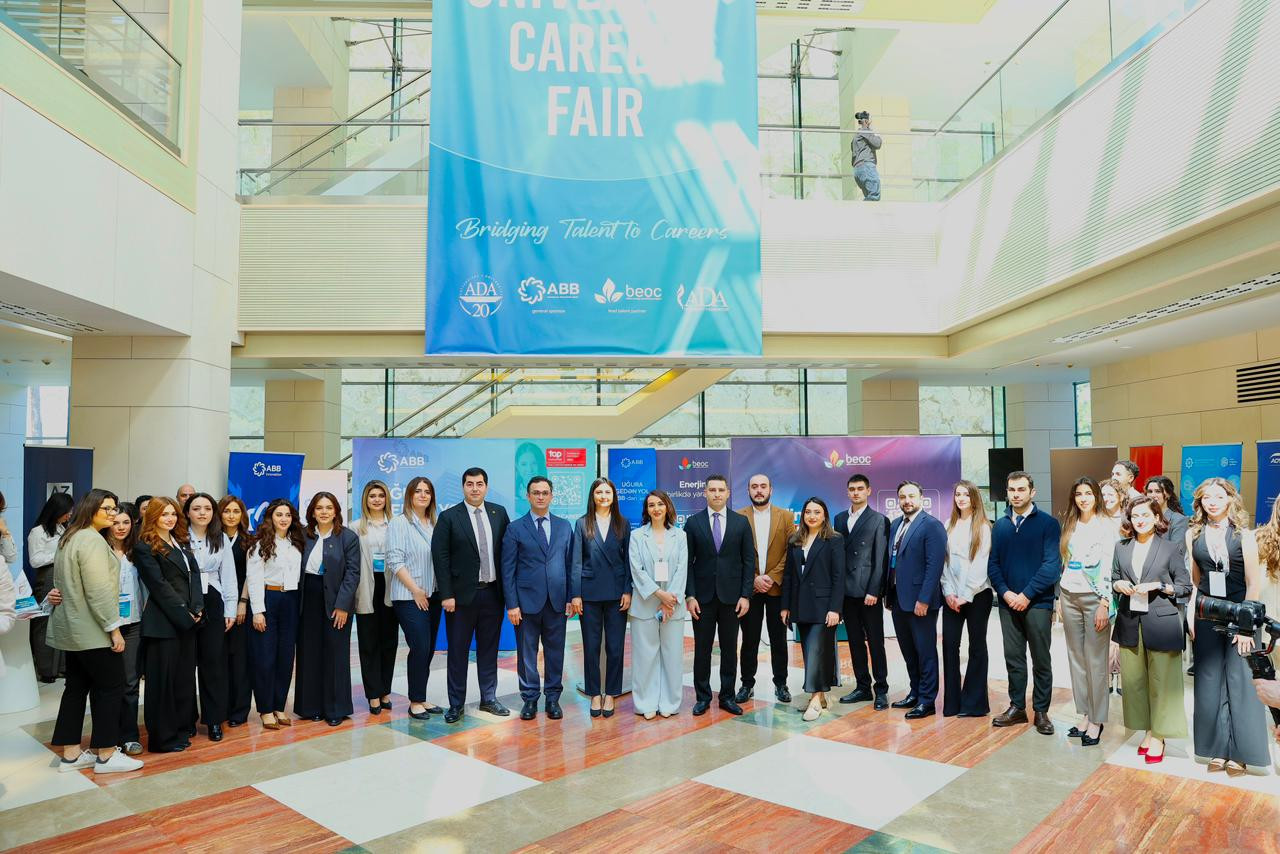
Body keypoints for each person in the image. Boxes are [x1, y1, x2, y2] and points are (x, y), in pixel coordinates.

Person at [48, 490, 143, 774]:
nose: (113, 514)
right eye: (107, 509)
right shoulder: (91, 540)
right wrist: (114, 629)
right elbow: (98, 591)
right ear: (91, 509)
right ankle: (106, 754)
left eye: (115, 509)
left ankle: (70, 755)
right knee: (110, 688)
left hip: (73, 630)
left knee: (75, 689)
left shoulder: (70, 537)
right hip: (92, 631)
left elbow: (63, 585)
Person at [1187, 477, 1271, 774]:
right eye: (1206, 497)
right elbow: (1195, 581)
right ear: (1200, 502)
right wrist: (1191, 616)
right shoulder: (1193, 534)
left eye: (1218, 497)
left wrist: (1246, 627)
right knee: (1209, 681)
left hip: (1240, 614)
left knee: (1240, 680)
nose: (1212, 502)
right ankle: (1216, 749)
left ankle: (1242, 752)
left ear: (1230, 500)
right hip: (1207, 613)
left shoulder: (1244, 536)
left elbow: (1253, 584)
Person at [1113, 496, 1191, 764]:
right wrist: (1118, 585)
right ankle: (1148, 729)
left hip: (1162, 621)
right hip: (1129, 620)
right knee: (1135, 682)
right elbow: (1114, 577)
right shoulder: (1121, 547)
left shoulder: (1170, 548)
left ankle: (1159, 735)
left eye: (1145, 515)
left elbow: (1184, 587)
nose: (1140, 520)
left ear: (1157, 518)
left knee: (1162, 681)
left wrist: (1159, 586)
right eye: (1135, 516)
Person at [432, 467, 511, 724]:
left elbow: (507, 554)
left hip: (493, 594)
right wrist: (446, 594)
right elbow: (441, 558)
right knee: (458, 652)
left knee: (489, 649)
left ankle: (489, 698)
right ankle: (456, 704)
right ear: (463, 487)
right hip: (460, 599)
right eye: (469, 484)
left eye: (479, 484)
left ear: (486, 486)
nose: (474, 488)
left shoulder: (499, 513)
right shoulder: (449, 517)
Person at [988, 471, 1062, 735]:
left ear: (1032, 492)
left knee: (1041, 659)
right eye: (1012, 490)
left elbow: (1052, 565)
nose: (1016, 494)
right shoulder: (1000, 526)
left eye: (1021, 489)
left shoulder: (1048, 524)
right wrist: (1006, 593)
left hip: (1038, 603)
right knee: (1014, 658)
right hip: (1008, 603)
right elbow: (993, 564)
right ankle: (1017, 707)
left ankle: (1041, 711)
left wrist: (1027, 594)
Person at [134, 496, 203, 753]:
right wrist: (185, 614)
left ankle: (181, 728)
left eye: (173, 514)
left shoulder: (181, 541)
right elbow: (159, 586)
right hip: (164, 623)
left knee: (183, 680)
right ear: (153, 517)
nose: (170, 518)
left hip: (188, 620)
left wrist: (197, 607)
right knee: (162, 684)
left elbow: (195, 576)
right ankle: (162, 738)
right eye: (164, 514)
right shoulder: (145, 546)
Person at [503, 476, 573, 721]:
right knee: (527, 654)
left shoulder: (564, 526)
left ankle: (553, 698)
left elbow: (570, 565)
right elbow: (508, 569)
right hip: (525, 603)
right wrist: (512, 604)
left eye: (545, 492)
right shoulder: (515, 528)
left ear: (551, 496)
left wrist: (571, 597)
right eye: (536, 492)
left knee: (555, 653)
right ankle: (530, 698)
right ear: (528, 496)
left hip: (557, 601)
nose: (540, 496)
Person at [685, 474, 753, 716]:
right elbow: (687, 563)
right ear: (704, 492)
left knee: (729, 650)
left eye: (720, 490)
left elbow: (748, 561)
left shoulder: (741, 522)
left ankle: (727, 697)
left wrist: (746, 595)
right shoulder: (693, 523)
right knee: (702, 650)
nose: (716, 494)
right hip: (702, 600)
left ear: (728, 493)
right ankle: (702, 697)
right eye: (712, 490)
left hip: (732, 599)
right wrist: (690, 596)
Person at [1058, 478, 1118, 746]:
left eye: (1089, 493)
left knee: (1095, 661)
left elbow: (1110, 566)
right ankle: (1084, 713)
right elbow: (1065, 562)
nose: (1083, 498)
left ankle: (1097, 719)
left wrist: (1105, 603)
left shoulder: (1106, 526)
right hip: (1068, 594)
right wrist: (1059, 598)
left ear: (1097, 497)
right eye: (1079, 493)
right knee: (1076, 658)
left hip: (1095, 598)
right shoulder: (1070, 523)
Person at [295, 492, 361, 726]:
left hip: (336, 600)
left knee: (335, 654)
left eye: (329, 508)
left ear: (336, 512)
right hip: (308, 599)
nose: (324, 512)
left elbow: (353, 574)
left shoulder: (348, 537)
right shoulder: (302, 535)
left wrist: (342, 606)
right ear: (312, 512)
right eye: (319, 508)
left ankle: (335, 709)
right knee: (309, 652)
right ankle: (310, 707)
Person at [570, 478, 632, 717]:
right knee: (591, 646)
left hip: (617, 594)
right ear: (593, 496)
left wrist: (627, 590)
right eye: (599, 492)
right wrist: (576, 594)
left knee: (615, 647)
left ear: (614, 496)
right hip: (589, 594)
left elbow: (628, 561)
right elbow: (575, 562)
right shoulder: (582, 523)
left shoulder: (622, 523)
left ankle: (612, 693)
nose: (604, 496)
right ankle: (594, 693)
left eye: (608, 492)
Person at [885, 481, 947, 719]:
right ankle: (915, 692)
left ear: (921, 498)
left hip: (921, 602)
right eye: (902, 497)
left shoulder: (931, 525)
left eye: (911, 496)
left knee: (925, 652)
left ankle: (927, 701)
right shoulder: (895, 524)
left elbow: (934, 566)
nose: (907, 501)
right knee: (908, 651)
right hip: (898, 599)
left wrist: (924, 599)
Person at [780, 498, 844, 722]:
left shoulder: (834, 539)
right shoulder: (795, 540)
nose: (812, 516)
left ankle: (815, 700)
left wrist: (835, 609)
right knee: (810, 652)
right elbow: (789, 575)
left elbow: (838, 576)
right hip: (800, 605)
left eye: (817, 512)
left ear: (824, 515)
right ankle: (821, 696)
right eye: (808, 512)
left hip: (824, 607)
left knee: (817, 651)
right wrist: (785, 606)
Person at [629, 490, 688, 720]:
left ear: (667, 507)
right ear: (646, 509)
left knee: (672, 656)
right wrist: (660, 594)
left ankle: (670, 702)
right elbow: (637, 570)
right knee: (645, 657)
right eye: (651, 505)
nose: (656, 509)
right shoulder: (636, 536)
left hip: (673, 605)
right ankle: (646, 702)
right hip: (645, 604)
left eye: (660, 504)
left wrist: (669, 600)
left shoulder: (680, 536)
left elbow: (682, 569)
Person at [734, 474, 793, 705]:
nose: (759, 490)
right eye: (754, 487)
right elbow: (735, 555)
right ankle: (747, 684)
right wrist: (754, 579)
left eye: (763, 486)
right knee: (749, 640)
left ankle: (781, 684)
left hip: (777, 588)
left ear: (771, 489)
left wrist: (772, 577)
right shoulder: (738, 517)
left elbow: (791, 550)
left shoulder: (786, 516)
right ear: (748, 490)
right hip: (750, 590)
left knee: (779, 640)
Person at [246, 498, 304, 730]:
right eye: (279, 514)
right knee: (265, 658)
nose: (284, 519)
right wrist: (258, 611)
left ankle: (279, 706)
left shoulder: (297, 542)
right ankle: (265, 709)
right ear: (270, 517)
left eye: (288, 515)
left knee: (286, 657)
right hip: (268, 599)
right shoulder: (259, 544)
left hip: (291, 600)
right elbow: (253, 579)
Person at [388, 477, 443, 720]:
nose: (423, 495)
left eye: (427, 491)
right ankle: (415, 702)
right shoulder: (399, 523)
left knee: (428, 648)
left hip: (433, 595)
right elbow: (394, 561)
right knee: (419, 646)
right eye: (418, 491)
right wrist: (415, 590)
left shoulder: (434, 523)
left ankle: (421, 695)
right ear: (409, 494)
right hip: (409, 596)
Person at [834, 474, 890, 709]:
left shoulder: (879, 519)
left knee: (876, 642)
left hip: (868, 593)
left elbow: (881, 559)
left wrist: (874, 590)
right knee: (855, 642)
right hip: (846, 593)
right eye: (852, 489)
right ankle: (862, 687)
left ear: (868, 491)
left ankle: (881, 689)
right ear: (847, 492)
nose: (855, 492)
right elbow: (837, 557)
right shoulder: (839, 518)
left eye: (860, 488)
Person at [184, 493, 237, 742]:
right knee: (184, 664)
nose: (202, 513)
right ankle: (186, 719)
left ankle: (214, 719)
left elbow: (229, 576)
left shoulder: (220, 537)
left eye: (207, 508)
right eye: (196, 508)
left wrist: (230, 610)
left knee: (213, 663)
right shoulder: (178, 536)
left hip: (214, 600)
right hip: (185, 601)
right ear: (187, 512)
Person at [941, 481, 993, 718]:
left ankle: (974, 704)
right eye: (958, 494)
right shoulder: (948, 525)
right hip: (951, 597)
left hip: (977, 595)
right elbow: (944, 563)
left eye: (966, 494)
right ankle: (952, 703)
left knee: (977, 647)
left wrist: (966, 595)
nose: (961, 498)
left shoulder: (983, 527)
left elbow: (981, 565)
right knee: (949, 646)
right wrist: (948, 592)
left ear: (974, 498)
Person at [354, 480, 399, 716]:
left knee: (389, 642)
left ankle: (385, 691)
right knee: (368, 643)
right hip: (366, 588)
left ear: (387, 499)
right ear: (366, 499)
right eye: (372, 496)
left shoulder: (397, 524)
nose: (377, 499)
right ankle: (373, 694)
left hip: (391, 587)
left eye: (381, 495)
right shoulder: (355, 527)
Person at [103, 503, 145, 755]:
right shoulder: (99, 549)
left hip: (134, 623)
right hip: (104, 624)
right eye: (116, 522)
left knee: (130, 682)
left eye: (126, 522)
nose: (120, 527)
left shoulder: (137, 551)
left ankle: (129, 735)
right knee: (108, 684)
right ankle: (107, 737)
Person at [28, 491, 74, 682]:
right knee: (44, 624)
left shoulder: (64, 528)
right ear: (57, 510)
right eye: (67, 511)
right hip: (47, 577)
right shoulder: (38, 531)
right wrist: (58, 554)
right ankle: (46, 669)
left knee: (61, 623)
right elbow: (35, 560)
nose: (69, 515)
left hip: (64, 576)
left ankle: (61, 667)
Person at [218, 495, 253, 727]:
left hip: (242, 606)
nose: (231, 516)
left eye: (236, 511)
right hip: (216, 605)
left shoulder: (249, 541)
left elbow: (252, 574)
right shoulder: (212, 539)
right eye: (227, 511)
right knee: (219, 659)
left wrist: (242, 601)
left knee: (240, 660)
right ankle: (220, 707)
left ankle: (239, 710)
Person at [1144, 476, 1188, 548]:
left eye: (1158, 491)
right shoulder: (1142, 517)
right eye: (1150, 491)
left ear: (1168, 494)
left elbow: (1178, 550)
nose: (1152, 495)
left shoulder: (1179, 520)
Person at [850, 110, 882, 201]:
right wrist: (874, 132)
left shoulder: (857, 136)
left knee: (869, 198)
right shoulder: (865, 132)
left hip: (859, 170)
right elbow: (877, 143)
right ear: (867, 122)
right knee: (874, 196)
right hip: (866, 167)